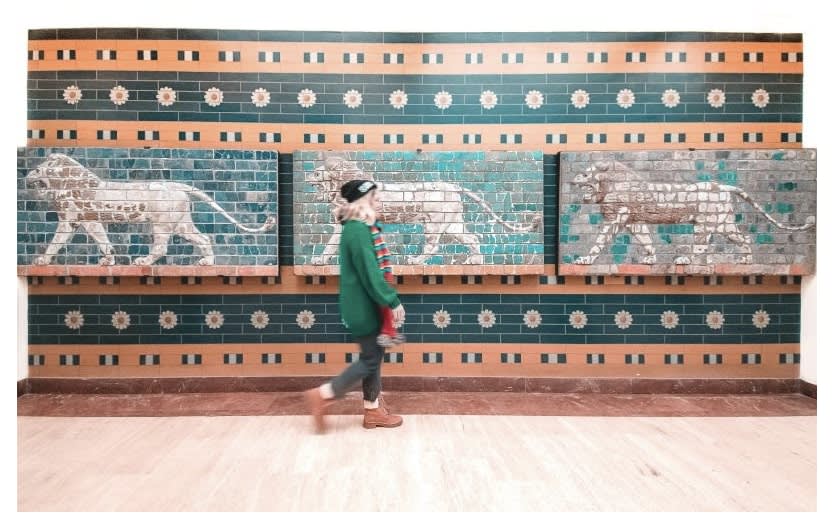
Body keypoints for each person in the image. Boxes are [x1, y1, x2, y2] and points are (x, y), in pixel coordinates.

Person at [305, 179, 406, 432]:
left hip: (366, 304)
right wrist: (392, 300)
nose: (379, 200)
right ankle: (324, 394)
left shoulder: (360, 227)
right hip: (364, 306)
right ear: (364, 199)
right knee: (371, 359)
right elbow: (370, 272)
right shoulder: (358, 230)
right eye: (375, 196)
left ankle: (372, 410)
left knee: (373, 356)